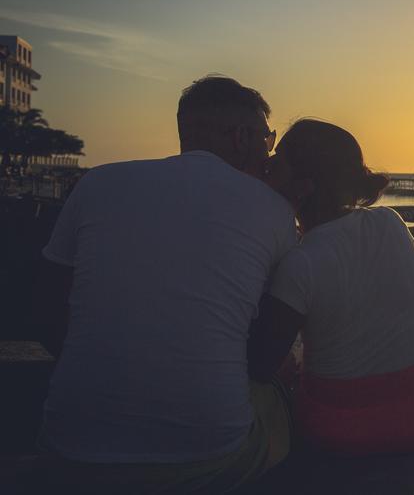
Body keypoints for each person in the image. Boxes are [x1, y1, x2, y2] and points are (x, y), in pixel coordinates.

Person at [32, 75, 298, 493]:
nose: (271, 150)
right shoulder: (274, 209)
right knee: (283, 392)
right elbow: (264, 342)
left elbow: (46, 308)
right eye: (269, 137)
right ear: (244, 137)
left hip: (72, 454)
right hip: (209, 460)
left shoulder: (97, 184)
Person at [249, 119, 414, 454]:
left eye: (277, 163)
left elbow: (260, 364)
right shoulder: (393, 224)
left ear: (302, 189)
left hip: (340, 429)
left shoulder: (300, 263)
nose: (267, 166)